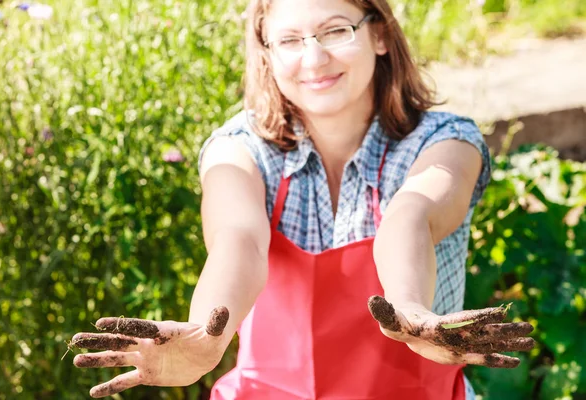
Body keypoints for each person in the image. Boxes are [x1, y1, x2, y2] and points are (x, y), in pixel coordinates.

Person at [71, 0, 536, 398]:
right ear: (267, 55)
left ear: (379, 34)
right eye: (289, 41)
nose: (313, 59)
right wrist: (204, 336)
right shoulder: (239, 149)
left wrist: (411, 311)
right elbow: (239, 241)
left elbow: (410, 215)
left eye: (335, 30)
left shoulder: (447, 142)